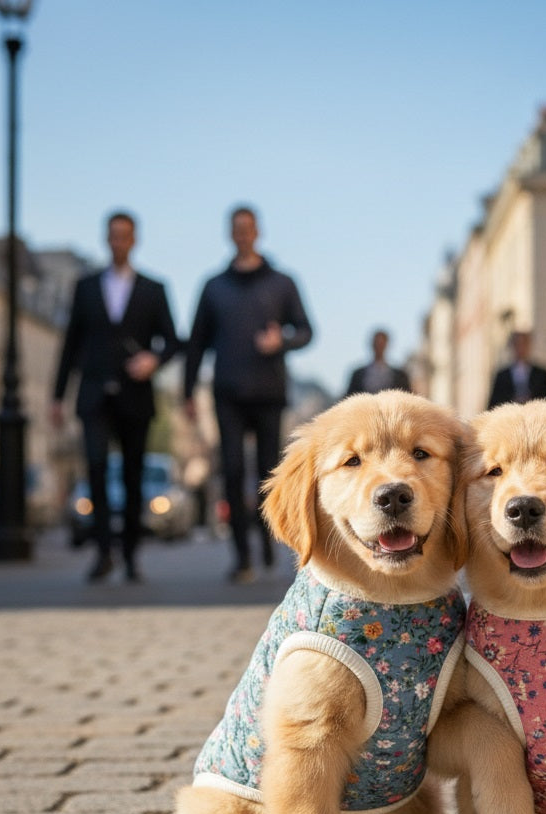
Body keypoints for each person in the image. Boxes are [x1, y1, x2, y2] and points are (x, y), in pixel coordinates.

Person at [184, 205, 314, 584]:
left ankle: (270, 540)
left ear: (258, 232)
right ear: (231, 234)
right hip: (227, 392)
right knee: (232, 470)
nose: (243, 234)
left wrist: (282, 341)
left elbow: (306, 330)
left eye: (248, 228)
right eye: (237, 229)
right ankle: (241, 556)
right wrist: (188, 392)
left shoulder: (281, 283)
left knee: (267, 472)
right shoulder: (214, 286)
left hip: (268, 392)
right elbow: (196, 344)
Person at [51, 210, 180, 583]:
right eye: (113, 235)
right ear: (106, 239)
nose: (118, 241)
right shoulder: (86, 286)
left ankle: (130, 555)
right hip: (92, 394)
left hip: (135, 396)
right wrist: (57, 396)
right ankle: (103, 551)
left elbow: (173, 341)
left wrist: (152, 359)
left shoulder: (153, 289)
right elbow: (70, 344)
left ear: (134, 239)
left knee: (133, 474)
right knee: (94, 468)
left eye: (125, 235)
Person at [486, 329, 546, 409]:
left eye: (524, 343)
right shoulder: (502, 376)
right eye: (517, 344)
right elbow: (493, 405)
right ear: (512, 346)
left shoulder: (542, 375)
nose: (520, 348)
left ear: (529, 345)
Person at [344, 328, 411, 396]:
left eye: (381, 343)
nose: (379, 347)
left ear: (386, 345)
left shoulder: (401, 375)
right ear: (372, 344)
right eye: (377, 343)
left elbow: (406, 396)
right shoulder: (357, 375)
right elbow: (349, 397)